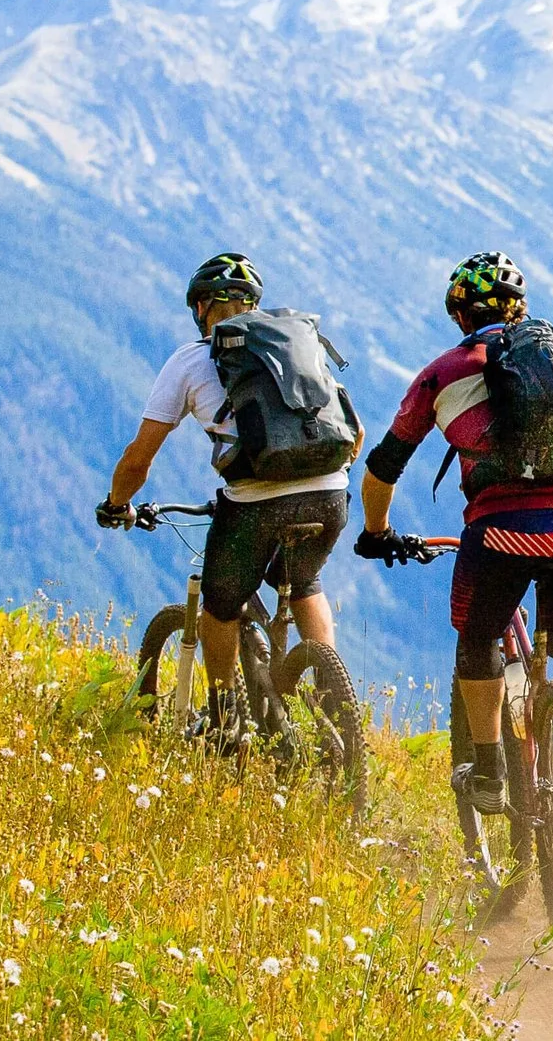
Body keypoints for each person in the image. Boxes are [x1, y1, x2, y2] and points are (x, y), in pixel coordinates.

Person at [352, 251, 553, 834]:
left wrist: (376, 533)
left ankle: (488, 770)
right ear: (521, 308)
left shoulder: (440, 375)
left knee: (478, 638)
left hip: (500, 535)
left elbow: (383, 468)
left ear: (460, 315)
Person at [96, 253, 358, 740]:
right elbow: (348, 425)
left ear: (201, 308)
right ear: (252, 303)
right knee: (303, 581)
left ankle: (224, 718)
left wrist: (116, 503)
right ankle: (333, 709)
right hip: (331, 493)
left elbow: (140, 457)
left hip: (256, 500)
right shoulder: (295, 342)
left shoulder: (191, 360)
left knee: (220, 605)